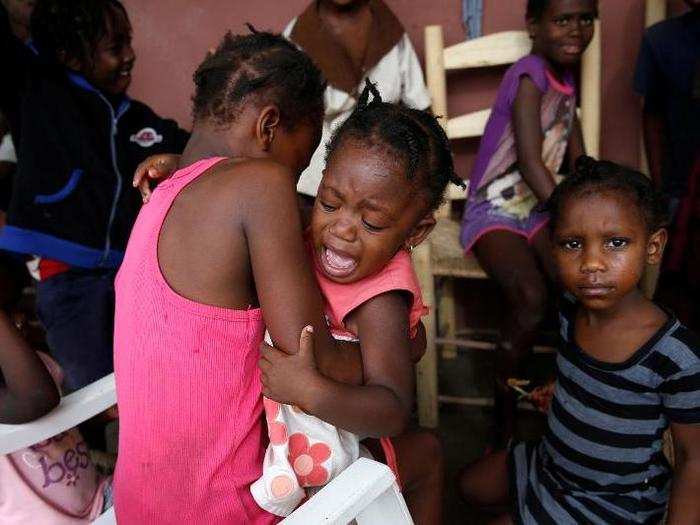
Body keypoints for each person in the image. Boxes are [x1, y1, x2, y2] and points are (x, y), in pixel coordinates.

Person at [113, 30, 372, 524]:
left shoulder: (165, 193)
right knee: (406, 449)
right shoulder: (261, 182)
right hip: (218, 511)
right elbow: (309, 355)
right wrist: (398, 348)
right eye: (302, 158)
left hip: (140, 506)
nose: (293, 178)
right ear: (269, 126)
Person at [248, 81, 459, 523]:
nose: (342, 229)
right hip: (288, 441)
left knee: (426, 454)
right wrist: (187, 171)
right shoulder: (313, 221)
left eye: (372, 221)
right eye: (331, 202)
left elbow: (393, 408)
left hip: (349, 450)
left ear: (415, 233)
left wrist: (311, 390)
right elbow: (251, 195)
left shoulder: (380, 297)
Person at [459, 156, 700, 524]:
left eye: (615, 243)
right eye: (572, 244)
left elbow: (693, 461)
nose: (592, 263)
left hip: (611, 502)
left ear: (652, 247)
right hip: (554, 462)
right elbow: (588, 377)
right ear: (553, 249)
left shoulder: (675, 357)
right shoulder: (572, 308)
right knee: (469, 485)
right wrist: (563, 393)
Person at [0, 0, 189, 391]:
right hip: (64, 270)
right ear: (70, 57)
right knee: (92, 386)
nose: (129, 55)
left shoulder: (140, 120)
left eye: (129, 43)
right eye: (115, 46)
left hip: (130, 272)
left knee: (147, 378)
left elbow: (199, 150)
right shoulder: (38, 88)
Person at [459, 0, 597, 447]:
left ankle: (571, 396)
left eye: (585, 19)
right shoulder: (529, 74)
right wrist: (576, 218)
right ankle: (504, 414)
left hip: (537, 210)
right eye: (562, 20)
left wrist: (598, 189)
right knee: (531, 295)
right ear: (534, 26)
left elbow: (577, 160)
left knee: (574, 284)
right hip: (493, 210)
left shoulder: (566, 80)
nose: (575, 29)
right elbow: (533, 162)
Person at [283, 0, 431, 198]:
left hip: (380, 170)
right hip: (313, 180)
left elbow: (420, 106)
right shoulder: (299, 35)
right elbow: (285, 109)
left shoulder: (390, 31)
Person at [0, 265, 113, 524]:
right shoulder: (28, 388)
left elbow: (52, 426)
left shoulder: (33, 367)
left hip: (99, 496)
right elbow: (35, 400)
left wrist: (95, 414)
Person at [634, 0, 700, 331]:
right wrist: (661, 193)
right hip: (680, 192)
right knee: (676, 308)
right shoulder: (662, 40)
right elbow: (653, 115)